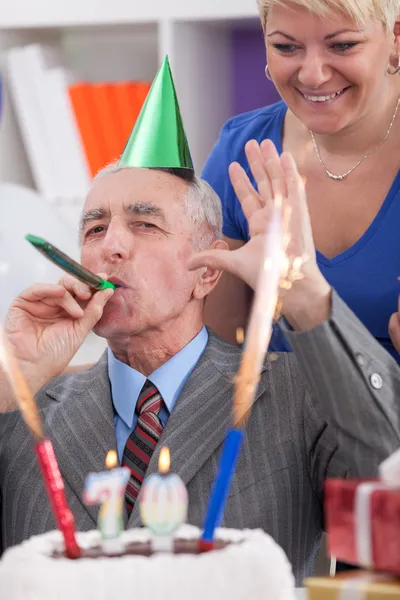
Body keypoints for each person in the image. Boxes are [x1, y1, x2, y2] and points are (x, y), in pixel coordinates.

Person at [1, 57, 400, 585]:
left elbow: (388, 478)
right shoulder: (21, 403)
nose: (111, 247)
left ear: (208, 271)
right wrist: (11, 380)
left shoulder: (294, 396)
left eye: (144, 224)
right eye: (94, 230)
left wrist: (304, 294)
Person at [201, 0, 400, 362]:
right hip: (280, 412)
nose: (312, 75)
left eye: (342, 45)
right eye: (286, 47)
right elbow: (216, 360)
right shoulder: (239, 151)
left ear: (396, 37)